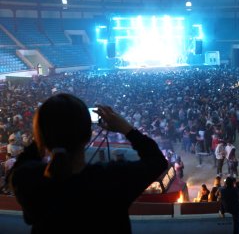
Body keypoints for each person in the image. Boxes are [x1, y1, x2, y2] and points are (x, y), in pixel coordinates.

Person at [8, 93, 168, 234]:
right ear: (88, 135)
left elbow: (19, 167)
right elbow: (157, 161)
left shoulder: (27, 179)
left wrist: (48, 132)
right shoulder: (111, 179)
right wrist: (126, 128)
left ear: (41, 136)